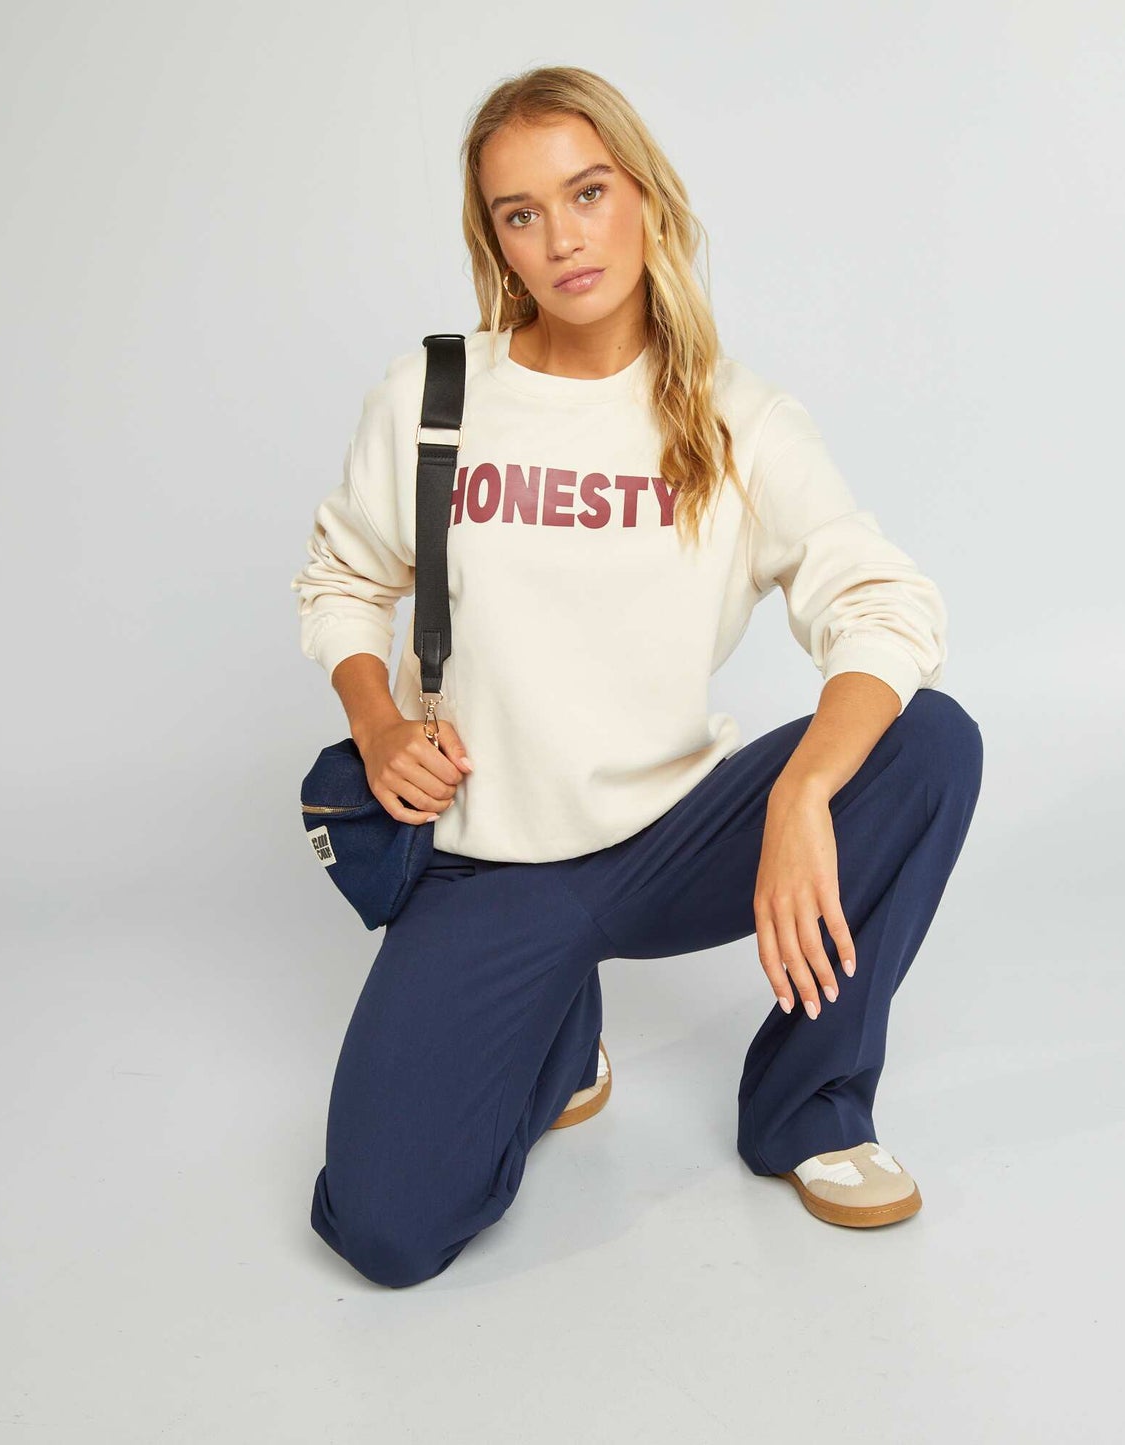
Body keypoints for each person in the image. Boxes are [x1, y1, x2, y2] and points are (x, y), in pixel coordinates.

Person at [290, 66, 983, 1289]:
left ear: (645, 197)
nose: (562, 238)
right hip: (490, 857)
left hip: (674, 833)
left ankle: (808, 1105)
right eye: (519, 213)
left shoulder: (735, 417)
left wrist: (802, 791)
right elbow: (343, 577)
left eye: (587, 192)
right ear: (494, 240)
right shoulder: (436, 396)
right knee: (385, 1227)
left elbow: (883, 603)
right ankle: (558, 1040)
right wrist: (379, 717)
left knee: (925, 741)